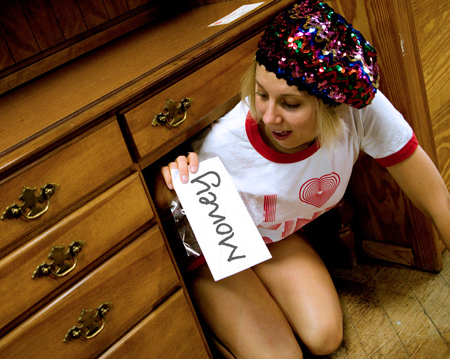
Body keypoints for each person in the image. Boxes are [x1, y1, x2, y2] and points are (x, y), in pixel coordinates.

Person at [156, 1, 450, 358]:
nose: (267, 116)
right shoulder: (224, 145)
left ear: (334, 107)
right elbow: (162, 199)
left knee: (324, 337)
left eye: (290, 104)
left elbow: (437, 201)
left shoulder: (359, 110)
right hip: (210, 240)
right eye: (261, 93)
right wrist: (170, 177)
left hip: (272, 234)